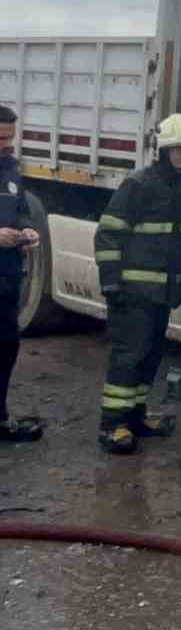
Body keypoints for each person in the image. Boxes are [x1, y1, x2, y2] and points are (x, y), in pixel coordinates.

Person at [92, 113, 181, 455]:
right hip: (133, 293)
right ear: (163, 150)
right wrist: (111, 285)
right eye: (177, 149)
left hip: (162, 294)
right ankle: (112, 425)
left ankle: (135, 416)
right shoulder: (139, 184)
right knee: (129, 356)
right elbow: (108, 234)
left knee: (150, 356)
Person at [1, 105, 44, 444]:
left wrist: (27, 230)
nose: (8, 144)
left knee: (6, 347)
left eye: (11, 137)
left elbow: (21, 211)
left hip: (6, 277)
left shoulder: (12, 169)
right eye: (1, 138)